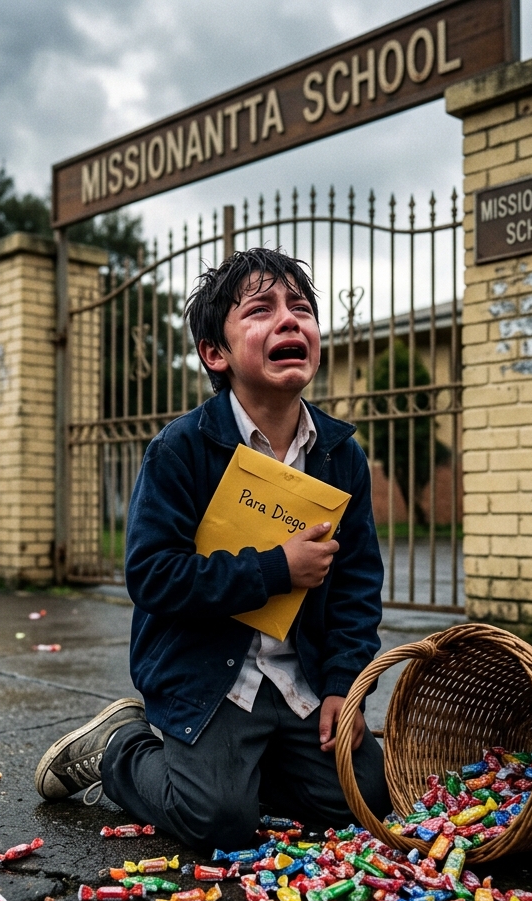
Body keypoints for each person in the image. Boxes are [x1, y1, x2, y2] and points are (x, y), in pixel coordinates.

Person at [34, 248, 390, 850]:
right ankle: (119, 746)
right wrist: (278, 568)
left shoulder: (339, 455)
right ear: (215, 353)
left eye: (301, 309)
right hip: (212, 679)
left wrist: (343, 686)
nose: (289, 321)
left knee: (368, 799)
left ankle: (249, 767)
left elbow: (357, 585)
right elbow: (153, 575)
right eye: (261, 310)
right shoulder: (181, 449)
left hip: (298, 678)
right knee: (218, 821)